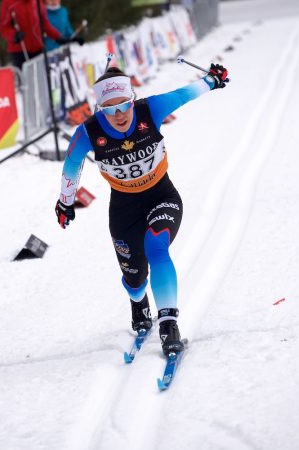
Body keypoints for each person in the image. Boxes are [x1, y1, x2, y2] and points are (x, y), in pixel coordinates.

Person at [55, 63, 229, 356]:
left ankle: (168, 324)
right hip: (124, 209)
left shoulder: (151, 109)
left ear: (132, 99)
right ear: (99, 109)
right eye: (109, 109)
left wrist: (212, 80)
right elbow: (71, 166)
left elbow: (184, 93)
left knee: (156, 247)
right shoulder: (89, 131)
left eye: (123, 105)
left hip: (162, 195)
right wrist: (65, 202)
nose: (119, 115)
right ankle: (138, 302)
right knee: (134, 278)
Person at [0, 0, 72, 69]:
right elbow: (4, 28)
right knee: (24, 79)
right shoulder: (9, 2)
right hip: (20, 51)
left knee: (40, 78)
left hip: (38, 49)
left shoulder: (37, 2)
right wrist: (14, 35)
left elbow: (45, 24)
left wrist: (58, 37)